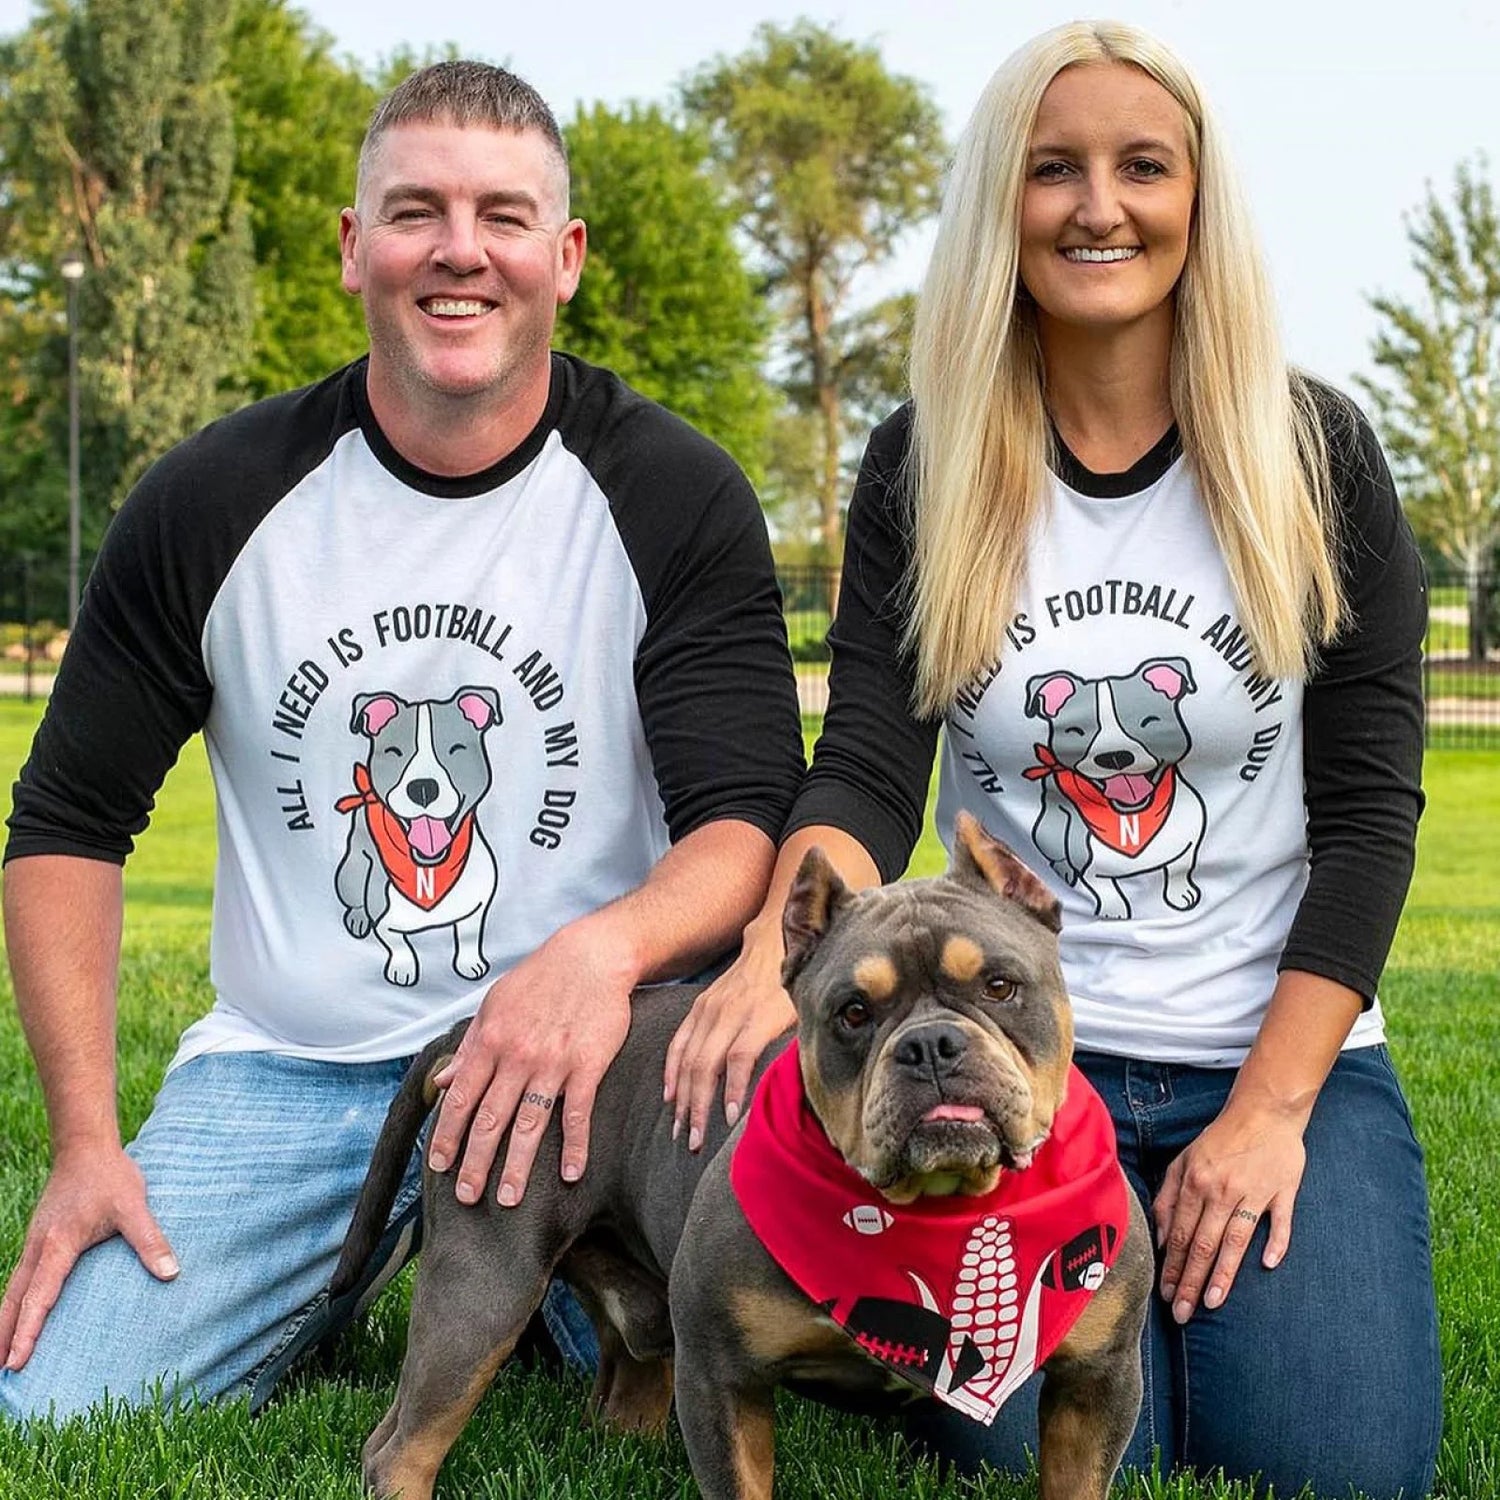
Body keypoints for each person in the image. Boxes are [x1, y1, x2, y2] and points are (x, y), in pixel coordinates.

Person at [664, 21, 1439, 1500]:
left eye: (1143, 166)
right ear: (997, 210)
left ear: (1198, 200)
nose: (1100, 206)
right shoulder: (928, 456)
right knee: (1055, 1444)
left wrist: (1268, 1117)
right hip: (1003, 1048)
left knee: (1330, 1463)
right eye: (1052, 170)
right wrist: (786, 943)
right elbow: (869, 770)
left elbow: (1367, 821)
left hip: (1268, 1051)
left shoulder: (1312, 452)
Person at [0, 60, 803, 1422]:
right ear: (353, 247)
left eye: (501, 214)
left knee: (791, 1359)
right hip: (295, 1067)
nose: (459, 251)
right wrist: (84, 1144)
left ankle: (593, 1291)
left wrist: (594, 956)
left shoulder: (675, 490)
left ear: (566, 256)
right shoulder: (212, 497)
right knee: (54, 1406)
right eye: (416, 209)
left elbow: (745, 822)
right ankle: (321, 1266)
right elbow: (68, 825)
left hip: (591, 1064)